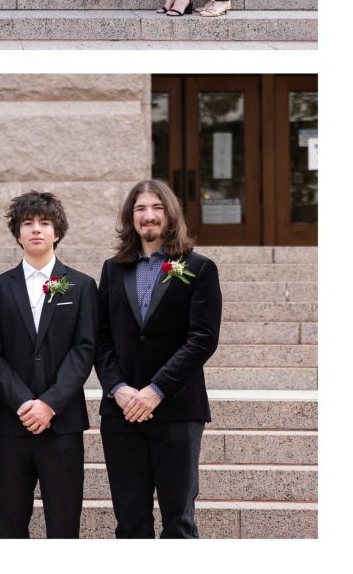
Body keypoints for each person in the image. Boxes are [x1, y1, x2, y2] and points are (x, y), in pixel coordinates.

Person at [95, 180, 222, 538]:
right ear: (130, 217)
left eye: (156, 208)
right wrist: (117, 388)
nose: (148, 216)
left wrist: (156, 390)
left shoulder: (199, 267)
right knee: (130, 521)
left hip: (177, 412)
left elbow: (202, 340)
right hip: (121, 414)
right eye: (140, 209)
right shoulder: (112, 269)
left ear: (170, 214)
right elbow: (100, 338)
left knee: (178, 522)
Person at [0, 191, 98, 538]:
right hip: (13, 423)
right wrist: (23, 402)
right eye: (28, 223)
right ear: (17, 233)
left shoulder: (81, 286)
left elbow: (84, 349)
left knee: (64, 525)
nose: (37, 230)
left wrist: (49, 403)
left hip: (62, 422)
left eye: (45, 223)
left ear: (57, 232)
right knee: (12, 524)